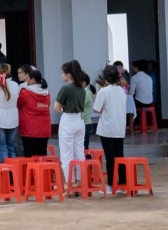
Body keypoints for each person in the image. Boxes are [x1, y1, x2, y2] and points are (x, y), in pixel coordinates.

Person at [91, 65, 127, 194]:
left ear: (106, 78)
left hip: (107, 128)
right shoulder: (122, 91)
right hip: (119, 127)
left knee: (110, 157)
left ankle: (111, 185)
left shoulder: (103, 91)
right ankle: (123, 183)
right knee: (119, 156)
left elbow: (96, 109)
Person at [54, 61, 89, 182]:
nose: (61, 75)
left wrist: (64, 107)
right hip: (80, 120)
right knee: (79, 152)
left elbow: (56, 107)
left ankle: (70, 183)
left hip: (68, 120)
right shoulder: (82, 89)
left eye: (63, 73)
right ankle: (81, 181)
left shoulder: (65, 88)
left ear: (69, 75)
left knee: (66, 154)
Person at [15, 66, 52, 157]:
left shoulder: (25, 92)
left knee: (29, 155)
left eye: (28, 79)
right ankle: (42, 171)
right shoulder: (47, 92)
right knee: (42, 154)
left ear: (33, 80)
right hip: (44, 128)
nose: (26, 81)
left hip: (29, 128)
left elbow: (18, 105)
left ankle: (30, 172)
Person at [0, 63, 20, 160]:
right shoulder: (15, 85)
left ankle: (5, 173)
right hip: (13, 119)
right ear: (9, 72)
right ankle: (13, 174)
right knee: (12, 148)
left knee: (2, 150)